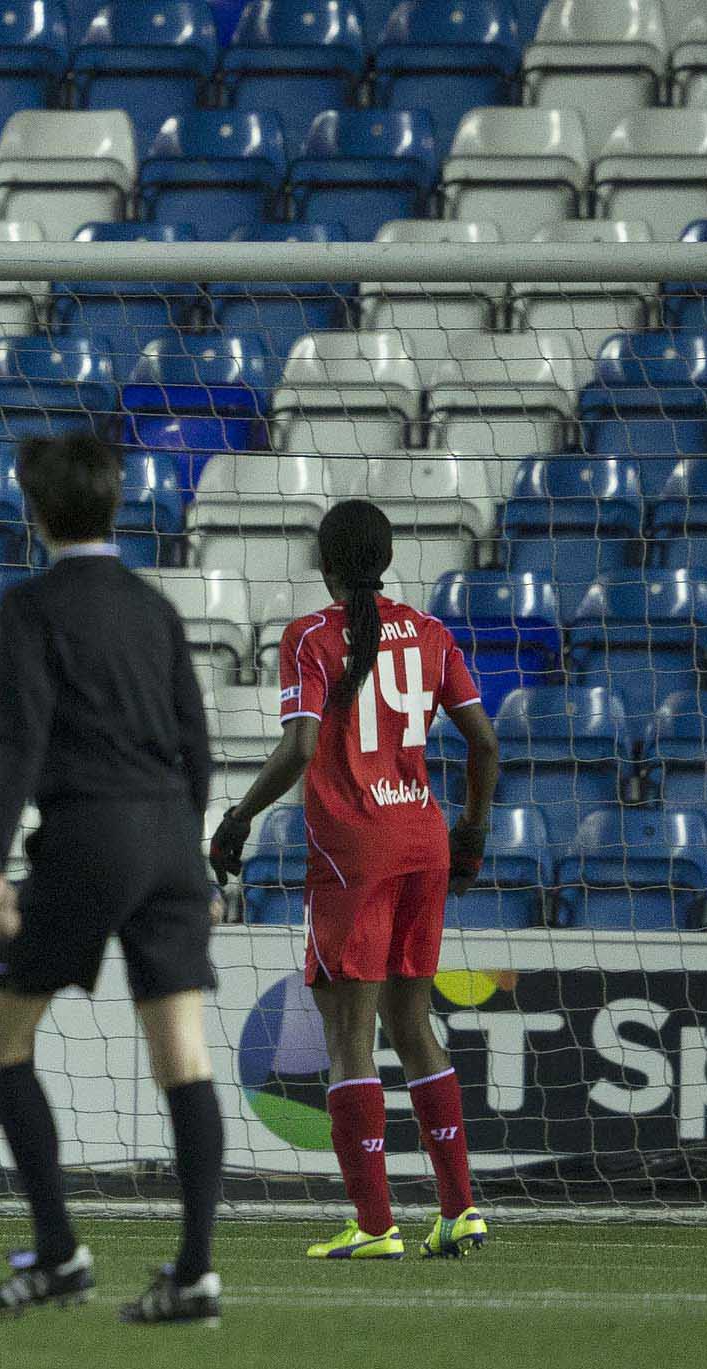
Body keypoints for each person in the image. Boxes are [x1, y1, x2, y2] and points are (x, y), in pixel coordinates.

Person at [0, 433, 225, 1326]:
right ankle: (194, 1273)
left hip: (90, 830)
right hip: (169, 837)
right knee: (183, 1058)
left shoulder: (31, 603)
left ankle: (59, 1250)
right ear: (118, 504)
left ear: (34, 514)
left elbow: (24, 739)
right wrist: (196, 857)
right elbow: (196, 743)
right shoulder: (154, 606)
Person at [210, 500, 498, 1262]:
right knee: (415, 1024)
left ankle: (374, 1225)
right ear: (389, 556)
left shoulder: (309, 636)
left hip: (353, 853)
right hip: (424, 841)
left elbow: (301, 745)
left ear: (326, 564)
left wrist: (237, 817)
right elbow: (484, 743)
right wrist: (471, 830)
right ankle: (461, 1208)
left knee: (349, 1038)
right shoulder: (433, 635)